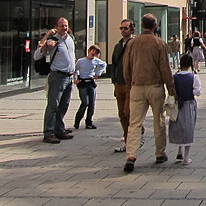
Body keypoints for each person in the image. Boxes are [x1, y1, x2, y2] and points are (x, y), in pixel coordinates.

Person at [122, 14, 176, 173]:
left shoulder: (133, 43)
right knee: (158, 121)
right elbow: (165, 68)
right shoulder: (159, 43)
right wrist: (171, 88)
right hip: (155, 86)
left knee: (135, 123)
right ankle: (160, 153)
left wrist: (129, 84)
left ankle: (131, 155)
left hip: (137, 86)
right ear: (155, 26)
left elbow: (126, 67)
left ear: (142, 26)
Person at [35, 17, 76, 144]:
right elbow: (37, 55)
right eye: (61, 26)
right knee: (53, 105)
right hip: (58, 76)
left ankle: (59, 129)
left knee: (64, 104)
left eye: (66, 25)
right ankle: (48, 133)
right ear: (56, 27)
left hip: (69, 77)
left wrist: (75, 74)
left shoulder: (70, 39)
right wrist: (46, 42)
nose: (64, 28)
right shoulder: (53, 40)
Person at [111, 19, 138, 153]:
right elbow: (114, 63)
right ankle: (128, 140)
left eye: (125, 28)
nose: (123, 30)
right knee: (121, 113)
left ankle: (135, 136)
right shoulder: (118, 46)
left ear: (132, 30)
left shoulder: (135, 44)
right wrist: (114, 80)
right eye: (121, 28)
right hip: (119, 83)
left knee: (128, 112)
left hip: (130, 83)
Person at [169, 54, 201, 165]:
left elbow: (171, 90)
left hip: (177, 105)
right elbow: (197, 91)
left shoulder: (175, 77)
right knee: (188, 128)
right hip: (189, 104)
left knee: (178, 127)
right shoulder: (193, 77)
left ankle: (179, 151)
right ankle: (186, 157)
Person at [74, 45, 107, 130]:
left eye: (96, 53)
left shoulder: (96, 61)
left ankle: (89, 122)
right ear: (89, 51)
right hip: (83, 82)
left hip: (91, 82)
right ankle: (77, 120)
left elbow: (104, 64)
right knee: (85, 103)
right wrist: (76, 78)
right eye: (93, 51)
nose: (94, 54)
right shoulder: (81, 61)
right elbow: (75, 69)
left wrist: (98, 73)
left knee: (91, 104)